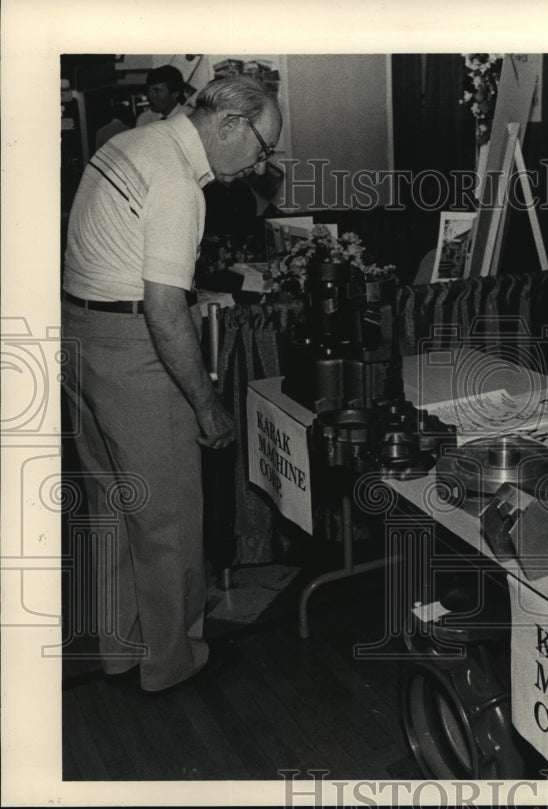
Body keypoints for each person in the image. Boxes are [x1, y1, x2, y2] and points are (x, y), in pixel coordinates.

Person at [62, 77, 282, 693]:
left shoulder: (135, 142)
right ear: (232, 124)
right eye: (263, 149)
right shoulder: (179, 182)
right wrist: (209, 410)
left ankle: (123, 651)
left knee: (114, 507)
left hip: (79, 331)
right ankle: (174, 662)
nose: (260, 166)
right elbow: (164, 312)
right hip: (133, 350)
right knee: (170, 518)